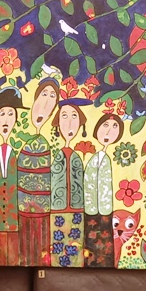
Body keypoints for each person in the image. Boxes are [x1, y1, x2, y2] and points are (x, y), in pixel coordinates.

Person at [17, 78, 58, 266]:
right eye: (44, 94)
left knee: (41, 253)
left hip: (44, 214)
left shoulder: (52, 140)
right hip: (21, 212)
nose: (46, 102)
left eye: (52, 98)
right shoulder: (20, 134)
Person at [49, 96, 90, 267]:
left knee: (76, 249)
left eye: (74, 117)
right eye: (64, 117)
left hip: (77, 211)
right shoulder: (56, 156)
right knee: (57, 250)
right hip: (56, 211)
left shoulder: (77, 158)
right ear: (58, 123)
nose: (70, 123)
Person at [0, 88, 25, 265]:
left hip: (14, 221)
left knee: (14, 257)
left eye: (11, 114)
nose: (6, 120)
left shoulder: (17, 155)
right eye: (2, 114)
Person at [84, 113, 123, 267]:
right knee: (90, 243)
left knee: (104, 243)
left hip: (104, 210)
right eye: (105, 126)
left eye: (114, 128)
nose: (108, 132)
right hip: (90, 209)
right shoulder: (94, 158)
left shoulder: (105, 159)